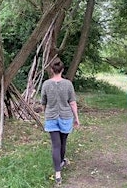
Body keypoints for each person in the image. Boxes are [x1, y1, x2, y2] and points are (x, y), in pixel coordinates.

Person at [41, 58, 80, 186]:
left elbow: (43, 103)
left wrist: (46, 113)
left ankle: (58, 173)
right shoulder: (68, 84)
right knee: (63, 143)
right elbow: (72, 103)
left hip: (51, 117)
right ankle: (61, 162)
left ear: (52, 70)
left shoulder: (46, 84)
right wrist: (76, 118)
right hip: (65, 117)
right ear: (62, 70)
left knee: (55, 145)